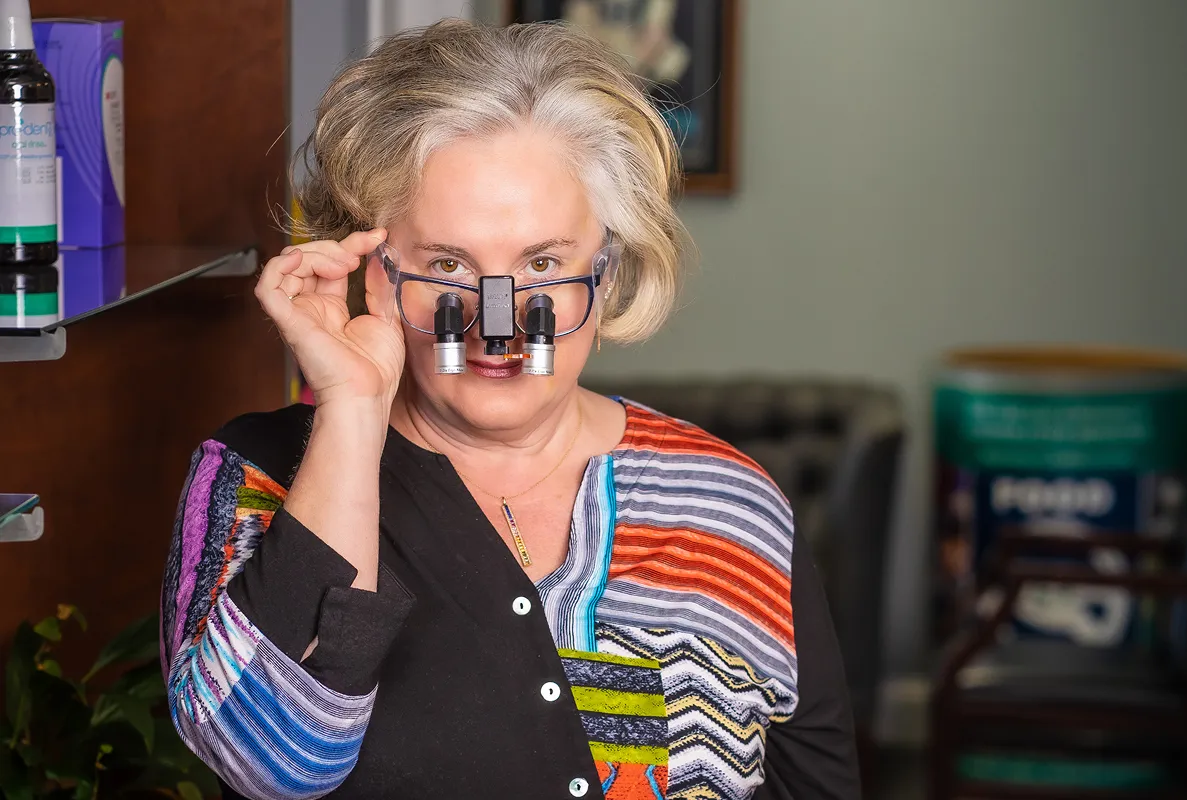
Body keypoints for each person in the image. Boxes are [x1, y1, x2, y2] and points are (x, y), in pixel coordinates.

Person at [159, 18, 859, 800]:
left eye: (544, 263)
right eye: (448, 265)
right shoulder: (254, 476)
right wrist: (353, 407)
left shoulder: (728, 502)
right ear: (376, 272)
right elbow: (271, 765)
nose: (499, 328)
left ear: (607, 270)